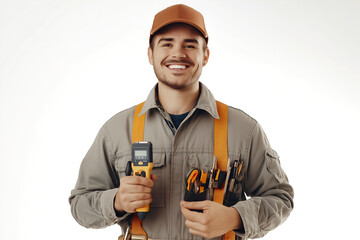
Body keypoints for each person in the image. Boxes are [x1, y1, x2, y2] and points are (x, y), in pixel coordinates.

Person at [69, 4, 294, 240]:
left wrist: (234, 217)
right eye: (167, 43)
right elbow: (80, 205)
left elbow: (280, 198)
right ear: (150, 54)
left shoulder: (243, 130)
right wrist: (116, 202)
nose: (178, 53)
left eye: (190, 44)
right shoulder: (116, 131)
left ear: (205, 55)